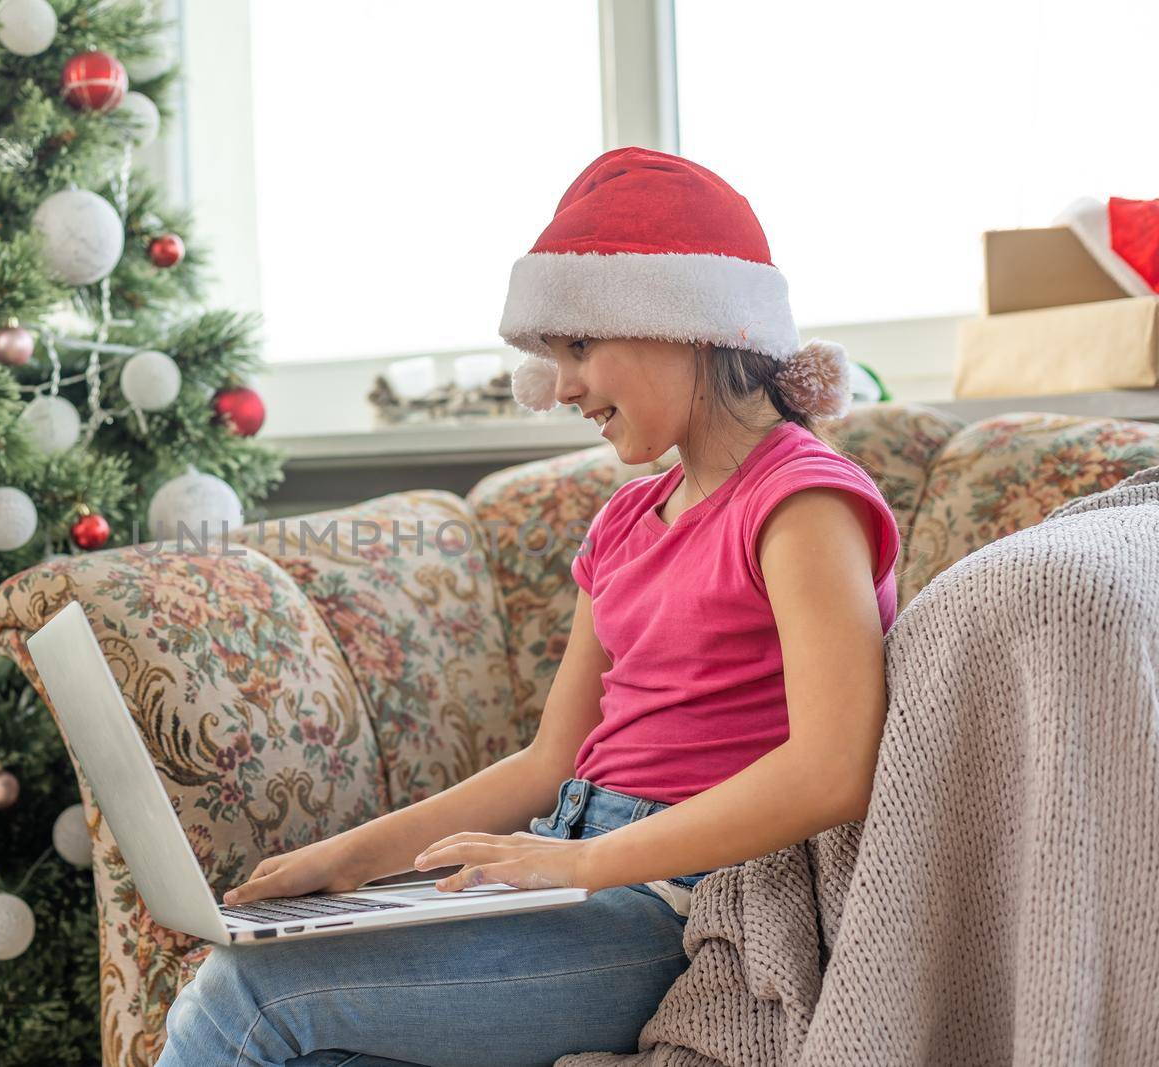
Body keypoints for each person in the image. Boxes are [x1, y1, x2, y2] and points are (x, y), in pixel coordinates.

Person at [154, 146, 901, 1067]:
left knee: (250, 996)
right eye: (554, 356)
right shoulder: (627, 519)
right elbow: (553, 759)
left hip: (680, 897)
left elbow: (836, 767)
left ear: (685, 319)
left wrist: (581, 864)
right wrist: (342, 864)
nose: (564, 387)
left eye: (580, 346)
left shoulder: (801, 501)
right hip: (567, 867)